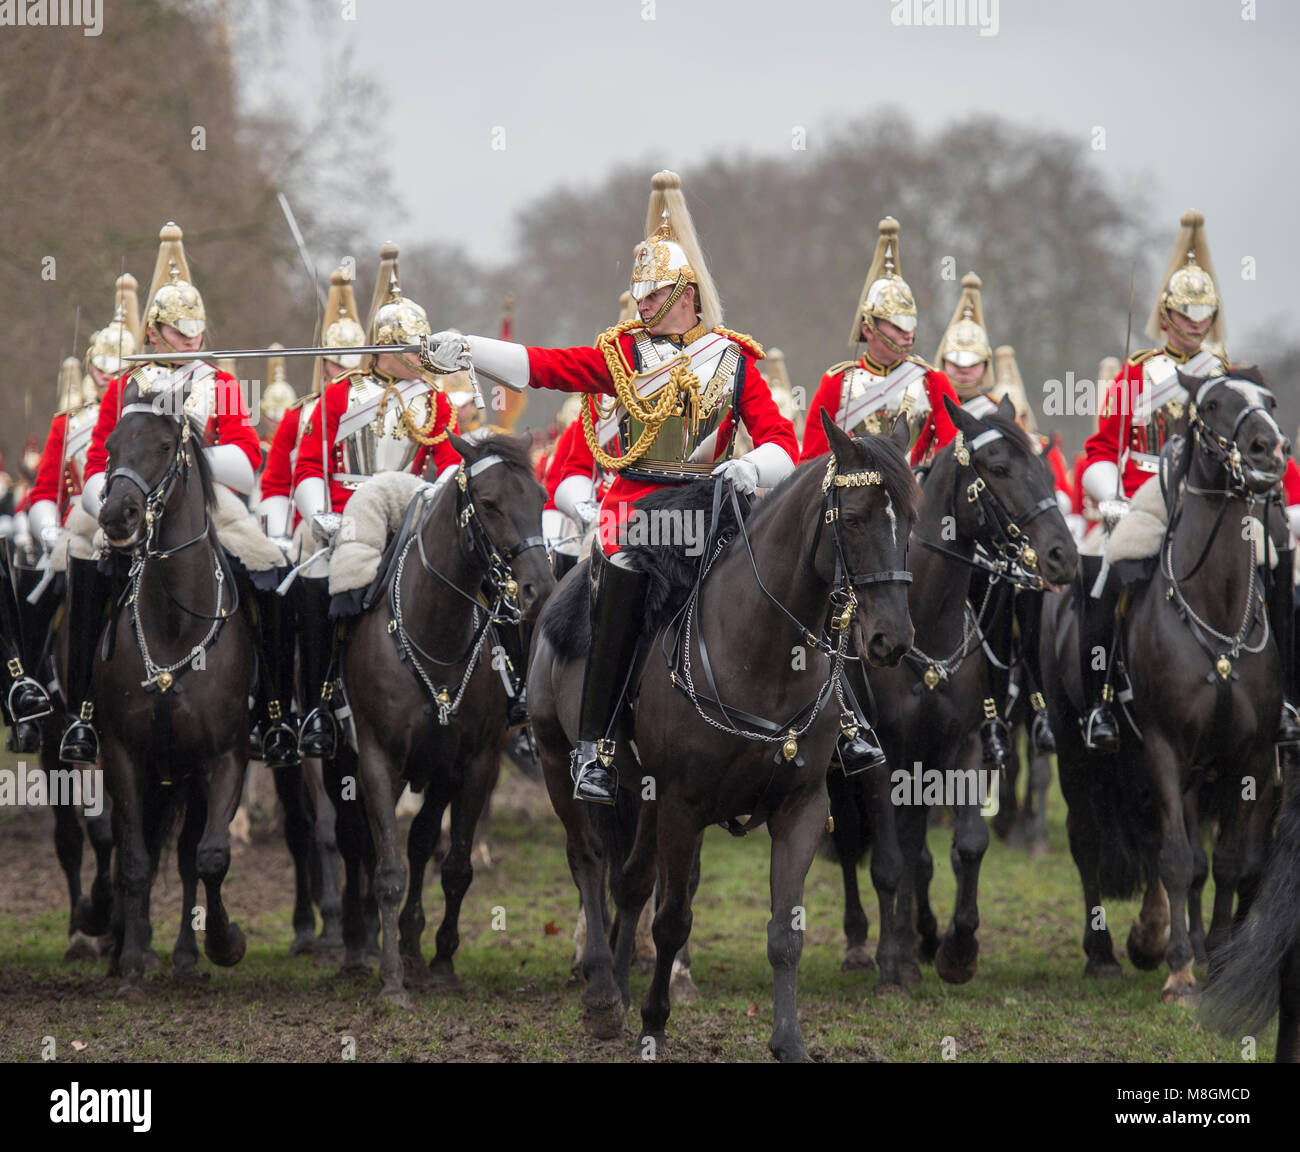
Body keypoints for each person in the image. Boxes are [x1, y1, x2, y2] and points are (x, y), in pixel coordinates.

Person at [423, 171, 799, 805]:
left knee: (792, 571)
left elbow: (782, 442)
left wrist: (748, 466)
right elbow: (543, 365)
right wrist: (469, 350)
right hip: (638, 509)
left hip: (714, 505)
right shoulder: (619, 355)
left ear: (686, 294)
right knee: (622, 570)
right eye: (640, 297)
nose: (643, 307)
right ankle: (597, 743)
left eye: (654, 297)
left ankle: (835, 720)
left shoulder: (735, 361)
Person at [68, 222, 268, 765]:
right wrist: (106, 504)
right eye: (180, 329)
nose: (192, 337)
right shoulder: (123, 384)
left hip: (204, 502)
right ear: (154, 330)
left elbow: (248, 459)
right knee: (82, 561)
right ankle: (82, 710)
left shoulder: (220, 383)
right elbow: (95, 462)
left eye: (197, 327)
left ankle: (273, 707)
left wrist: (190, 466)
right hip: (128, 503)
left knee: (267, 567)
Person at [1076, 210, 1247, 753]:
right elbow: (1101, 449)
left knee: (1275, 566)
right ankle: (1101, 699)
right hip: (1146, 498)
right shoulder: (1136, 373)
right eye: (1185, 314)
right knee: (1106, 574)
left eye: (1204, 315)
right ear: (1167, 316)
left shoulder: (1230, 378)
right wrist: (1111, 497)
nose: (1195, 324)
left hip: (1216, 501)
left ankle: (1283, 700)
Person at [799, 217, 960, 774]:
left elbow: (949, 451)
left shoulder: (930, 382)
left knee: (985, 579)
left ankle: (1011, 695)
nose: (905, 335)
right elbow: (809, 458)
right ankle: (828, 710)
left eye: (910, 326)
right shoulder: (837, 382)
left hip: (911, 514)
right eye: (893, 325)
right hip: (856, 514)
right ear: (869, 327)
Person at [291, 244, 460, 757]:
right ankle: (319, 701)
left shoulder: (434, 399)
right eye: (415, 347)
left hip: (410, 516)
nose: (423, 356)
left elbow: (451, 465)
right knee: (314, 582)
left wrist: (435, 504)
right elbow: (306, 464)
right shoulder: (341, 394)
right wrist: (319, 513)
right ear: (387, 348)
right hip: (343, 517)